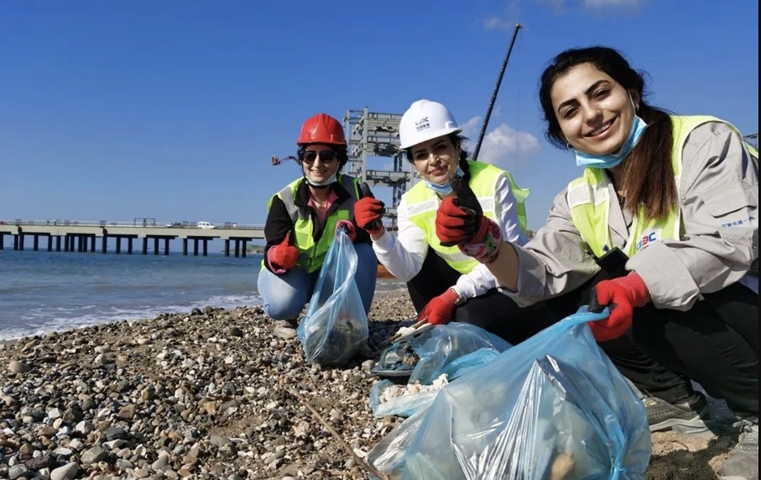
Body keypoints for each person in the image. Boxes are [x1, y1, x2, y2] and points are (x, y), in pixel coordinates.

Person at [434, 46, 758, 479]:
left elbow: (732, 244)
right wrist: (484, 243)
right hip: (707, 310)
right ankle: (682, 405)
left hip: (746, 295)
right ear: (562, 133)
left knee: (642, 291)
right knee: (583, 299)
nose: (590, 114)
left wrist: (637, 285)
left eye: (600, 93)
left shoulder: (702, 143)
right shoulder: (580, 195)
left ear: (633, 93)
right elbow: (541, 274)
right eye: (570, 110)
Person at [354, 99, 551, 345]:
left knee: (467, 319)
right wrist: (378, 234)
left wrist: (454, 294)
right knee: (424, 266)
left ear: (457, 146)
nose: (433, 160)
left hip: (510, 284)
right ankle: (437, 328)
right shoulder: (412, 201)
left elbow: (508, 259)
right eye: (421, 154)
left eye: (440, 147)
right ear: (414, 163)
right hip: (462, 285)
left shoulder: (493, 181)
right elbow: (407, 269)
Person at [257, 113, 378, 323]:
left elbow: (372, 240)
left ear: (340, 159)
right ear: (302, 159)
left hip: (332, 274)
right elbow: (271, 247)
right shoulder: (284, 199)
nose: (317, 164)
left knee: (366, 254)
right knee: (281, 304)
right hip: (296, 271)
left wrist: (358, 231)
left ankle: (354, 322)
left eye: (327, 156)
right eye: (310, 156)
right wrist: (277, 256)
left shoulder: (358, 191)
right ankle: (290, 317)